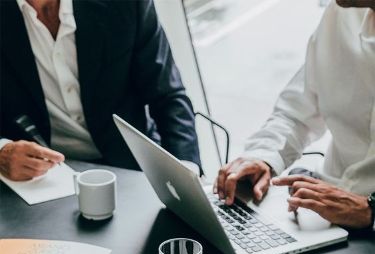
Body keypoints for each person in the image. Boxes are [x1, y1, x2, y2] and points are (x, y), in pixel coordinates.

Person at [214, 1, 375, 229]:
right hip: (324, 208)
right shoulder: (340, 15)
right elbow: (297, 113)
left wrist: (371, 211)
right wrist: (264, 155)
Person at [0, 0, 201, 181]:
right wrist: (1, 152)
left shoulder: (126, 4)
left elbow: (168, 95)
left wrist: (186, 171)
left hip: (133, 166)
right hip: (42, 178)